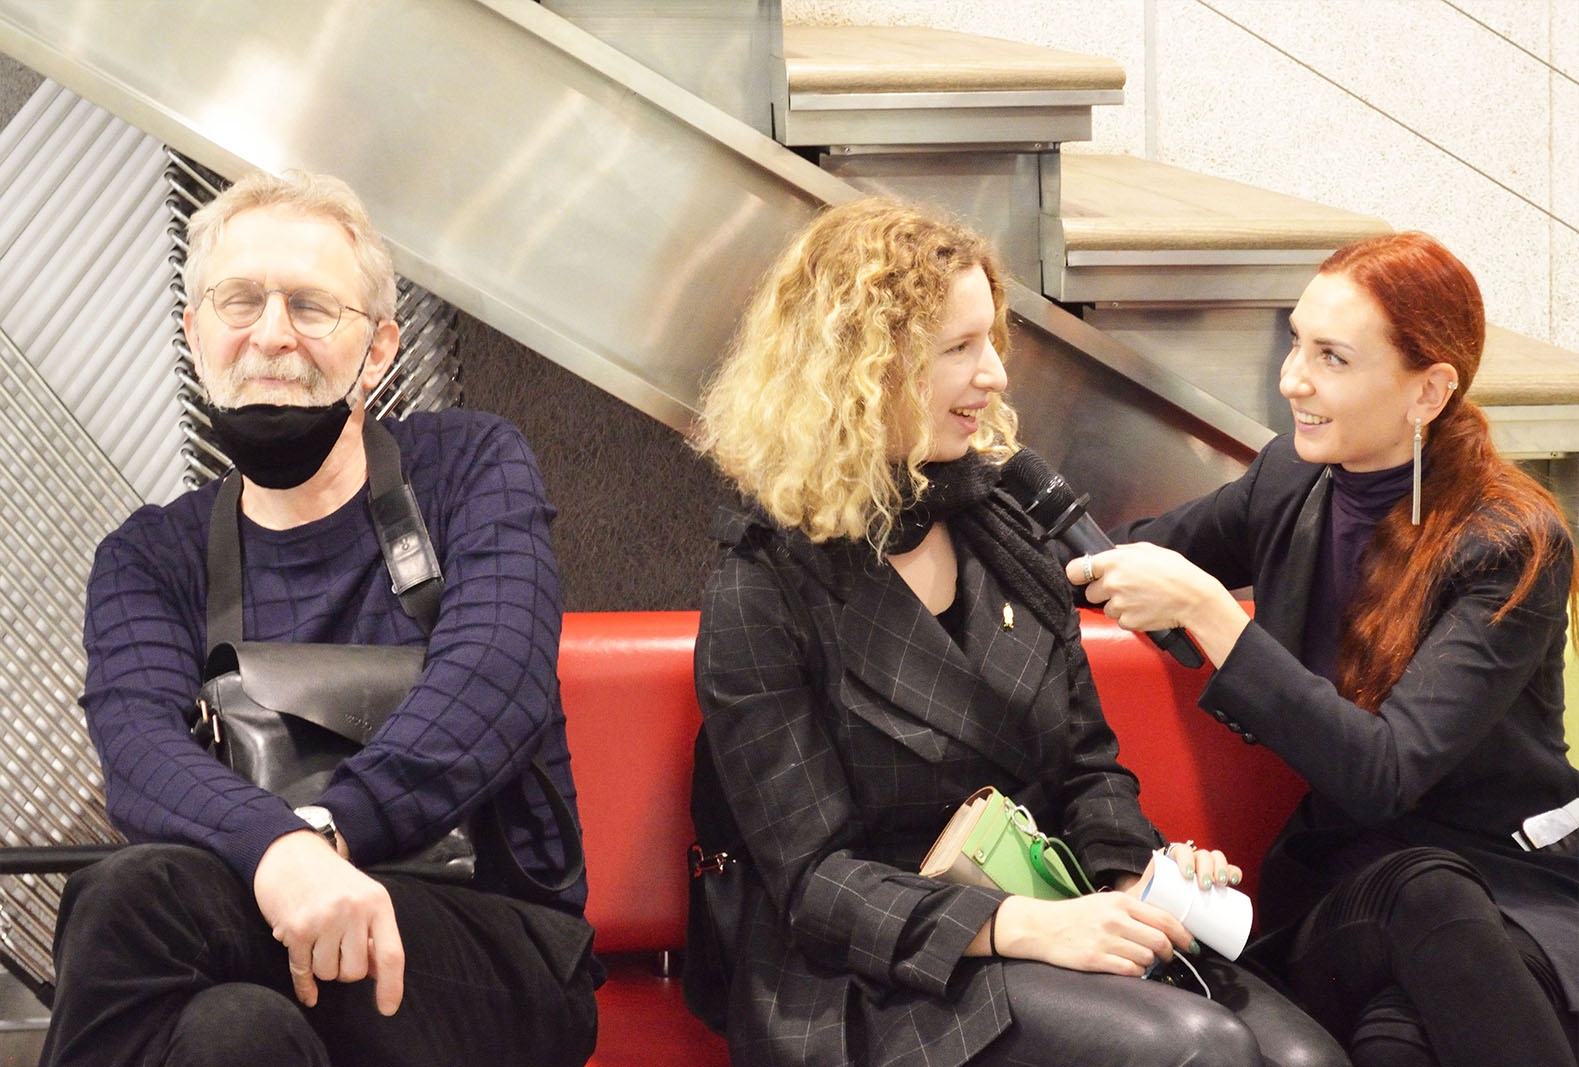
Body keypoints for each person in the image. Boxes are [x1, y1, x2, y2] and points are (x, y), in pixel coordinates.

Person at [690, 196, 1348, 1067]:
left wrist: (1131, 876)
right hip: (880, 973)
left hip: (1052, 909)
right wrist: (1022, 924)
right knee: (1200, 1050)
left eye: (991, 341)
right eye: (958, 348)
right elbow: (815, 883)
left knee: (1305, 1059)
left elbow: (1086, 769)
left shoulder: (1003, 527)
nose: (995, 374)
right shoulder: (763, 586)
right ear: (861, 367)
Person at [41, 170, 598, 1067]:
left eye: (309, 305)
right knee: (232, 1036)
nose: (271, 334)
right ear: (195, 334)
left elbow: (497, 678)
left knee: (132, 900)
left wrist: (327, 835)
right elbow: (140, 753)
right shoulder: (151, 554)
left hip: (492, 950)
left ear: (376, 351)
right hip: (259, 924)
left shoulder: (469, 467)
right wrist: (282, 857)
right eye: (240, 301)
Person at [1071, 231, 1579, 1067]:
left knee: (1396, 1042)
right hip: (1344, 890)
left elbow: (1384, 772)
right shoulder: (1289, 480)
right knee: (1424, 893)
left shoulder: (1508, 542)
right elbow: (1109, 559)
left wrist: (1211, 612)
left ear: (1428, 390)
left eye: (1331, 357)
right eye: (1295, 343)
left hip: (1515, 890)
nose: (1292, 379)